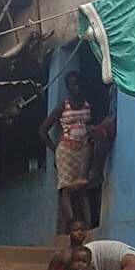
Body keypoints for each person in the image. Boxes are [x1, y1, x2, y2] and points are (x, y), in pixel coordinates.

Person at [39, 70, 92, 233]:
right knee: (66, 189)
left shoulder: (87, 105)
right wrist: (55, 150)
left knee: (82, 188)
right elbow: (43, 131)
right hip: (66, 151)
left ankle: (87, 225)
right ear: (68, 87)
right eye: (73, 84)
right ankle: (72, 224)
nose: (76, 87)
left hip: (83, 151)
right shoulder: (62, 106)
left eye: (78, 84)